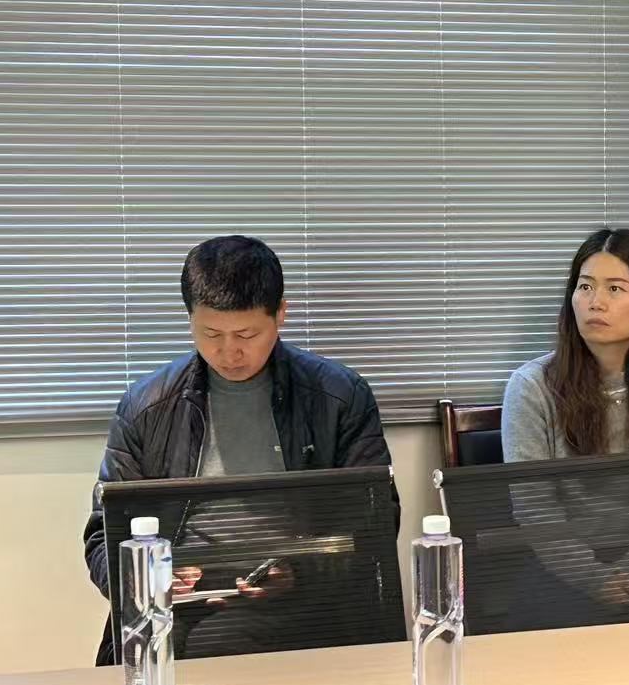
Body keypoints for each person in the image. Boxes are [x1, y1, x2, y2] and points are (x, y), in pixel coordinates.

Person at [81, 236, 394, 662]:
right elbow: (104, 536)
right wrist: (149, 579)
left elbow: (373, 522)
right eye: (211, 334)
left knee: (218, 645)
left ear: (280, 314)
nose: (229, 353)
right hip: (178, 602)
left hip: (300, 598)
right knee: (155, 653)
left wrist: (299, 573)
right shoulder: (147, 405)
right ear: (190, 319)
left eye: (247, 334)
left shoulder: (338, 397)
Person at [502, 227, 629, 615]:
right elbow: (535, 509)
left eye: (614, 289)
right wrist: (595, 578)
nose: (595, 302)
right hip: (559, 571)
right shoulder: (531, 387)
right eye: (585, 287)